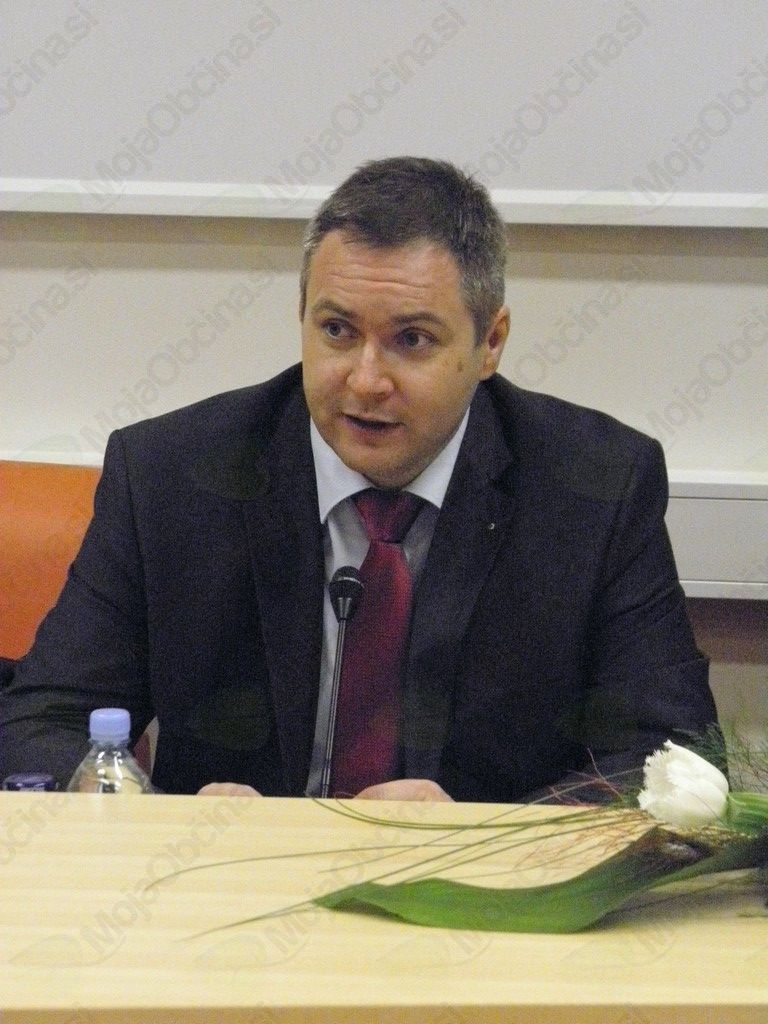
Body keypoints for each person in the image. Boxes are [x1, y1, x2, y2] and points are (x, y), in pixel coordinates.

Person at [0, 157, 717, 802]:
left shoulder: (595, 487)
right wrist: (156, 818)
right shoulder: (171, 475)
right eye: (338, 331)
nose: (366, 381)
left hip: (478, 892)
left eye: (412, 340)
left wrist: (485, 836)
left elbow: (671, 755)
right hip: (225, 884)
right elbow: (42, 720)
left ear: (490, 342)